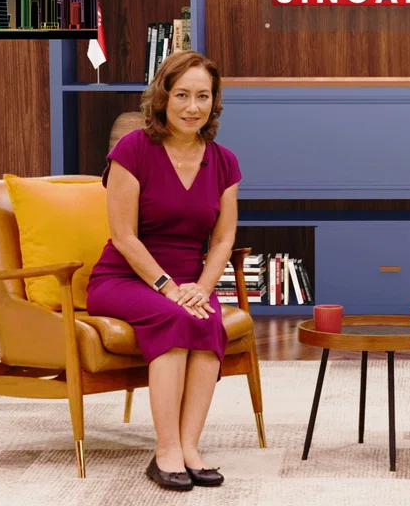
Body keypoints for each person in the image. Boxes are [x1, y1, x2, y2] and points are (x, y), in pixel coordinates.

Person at [87, 50, 241, 491]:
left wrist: (202, 288)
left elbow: (224, 239)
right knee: (176, 318)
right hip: (124, 278)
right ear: (162, 98)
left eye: (203, 96)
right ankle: (166, 451)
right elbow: (124, 236)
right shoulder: (133, 149)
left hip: (190, 282)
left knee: (210, 321)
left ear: (214, 102)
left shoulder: (225, 161)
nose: (193, 107)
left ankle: (190, 448)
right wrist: (169, 289)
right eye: (182, 95)